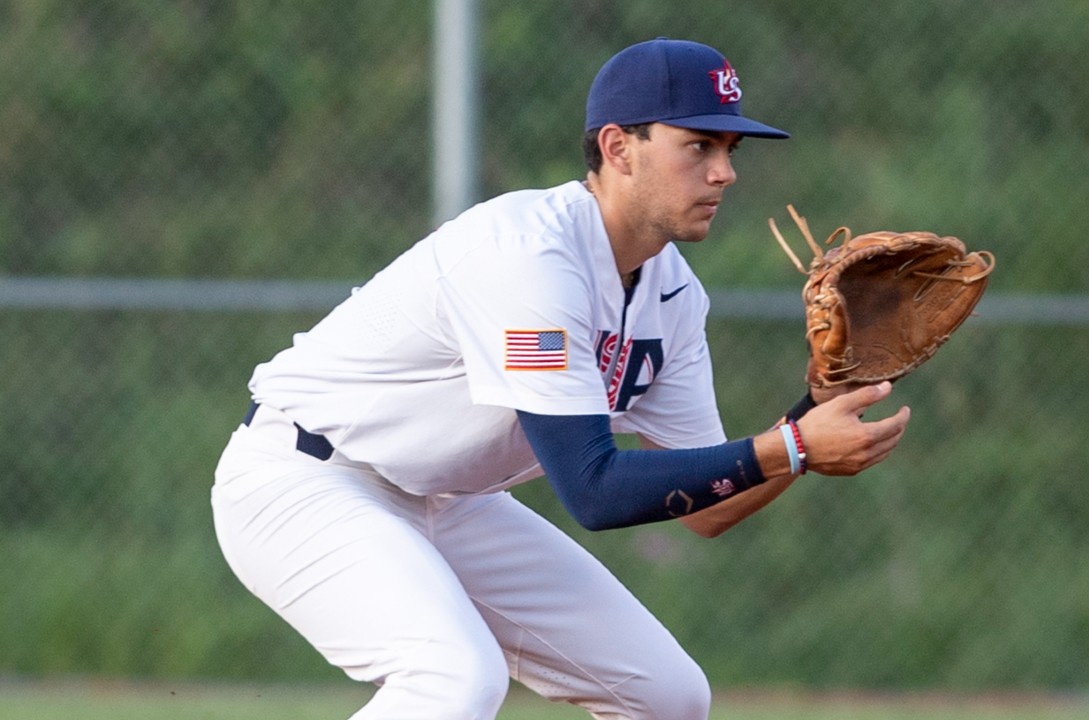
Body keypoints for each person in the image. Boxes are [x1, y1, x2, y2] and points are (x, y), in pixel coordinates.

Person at [211, 37, 910, 720]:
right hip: (307, 476)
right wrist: (794, 447)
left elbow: (705, 505)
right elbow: (594, 492)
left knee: (670, 697)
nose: (724, 172)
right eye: (697, 145)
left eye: (729, 150)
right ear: (616, 148)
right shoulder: (530, 257)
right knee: (453, 681)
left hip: (452, 500)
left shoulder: (673, 298)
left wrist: (812, 408)